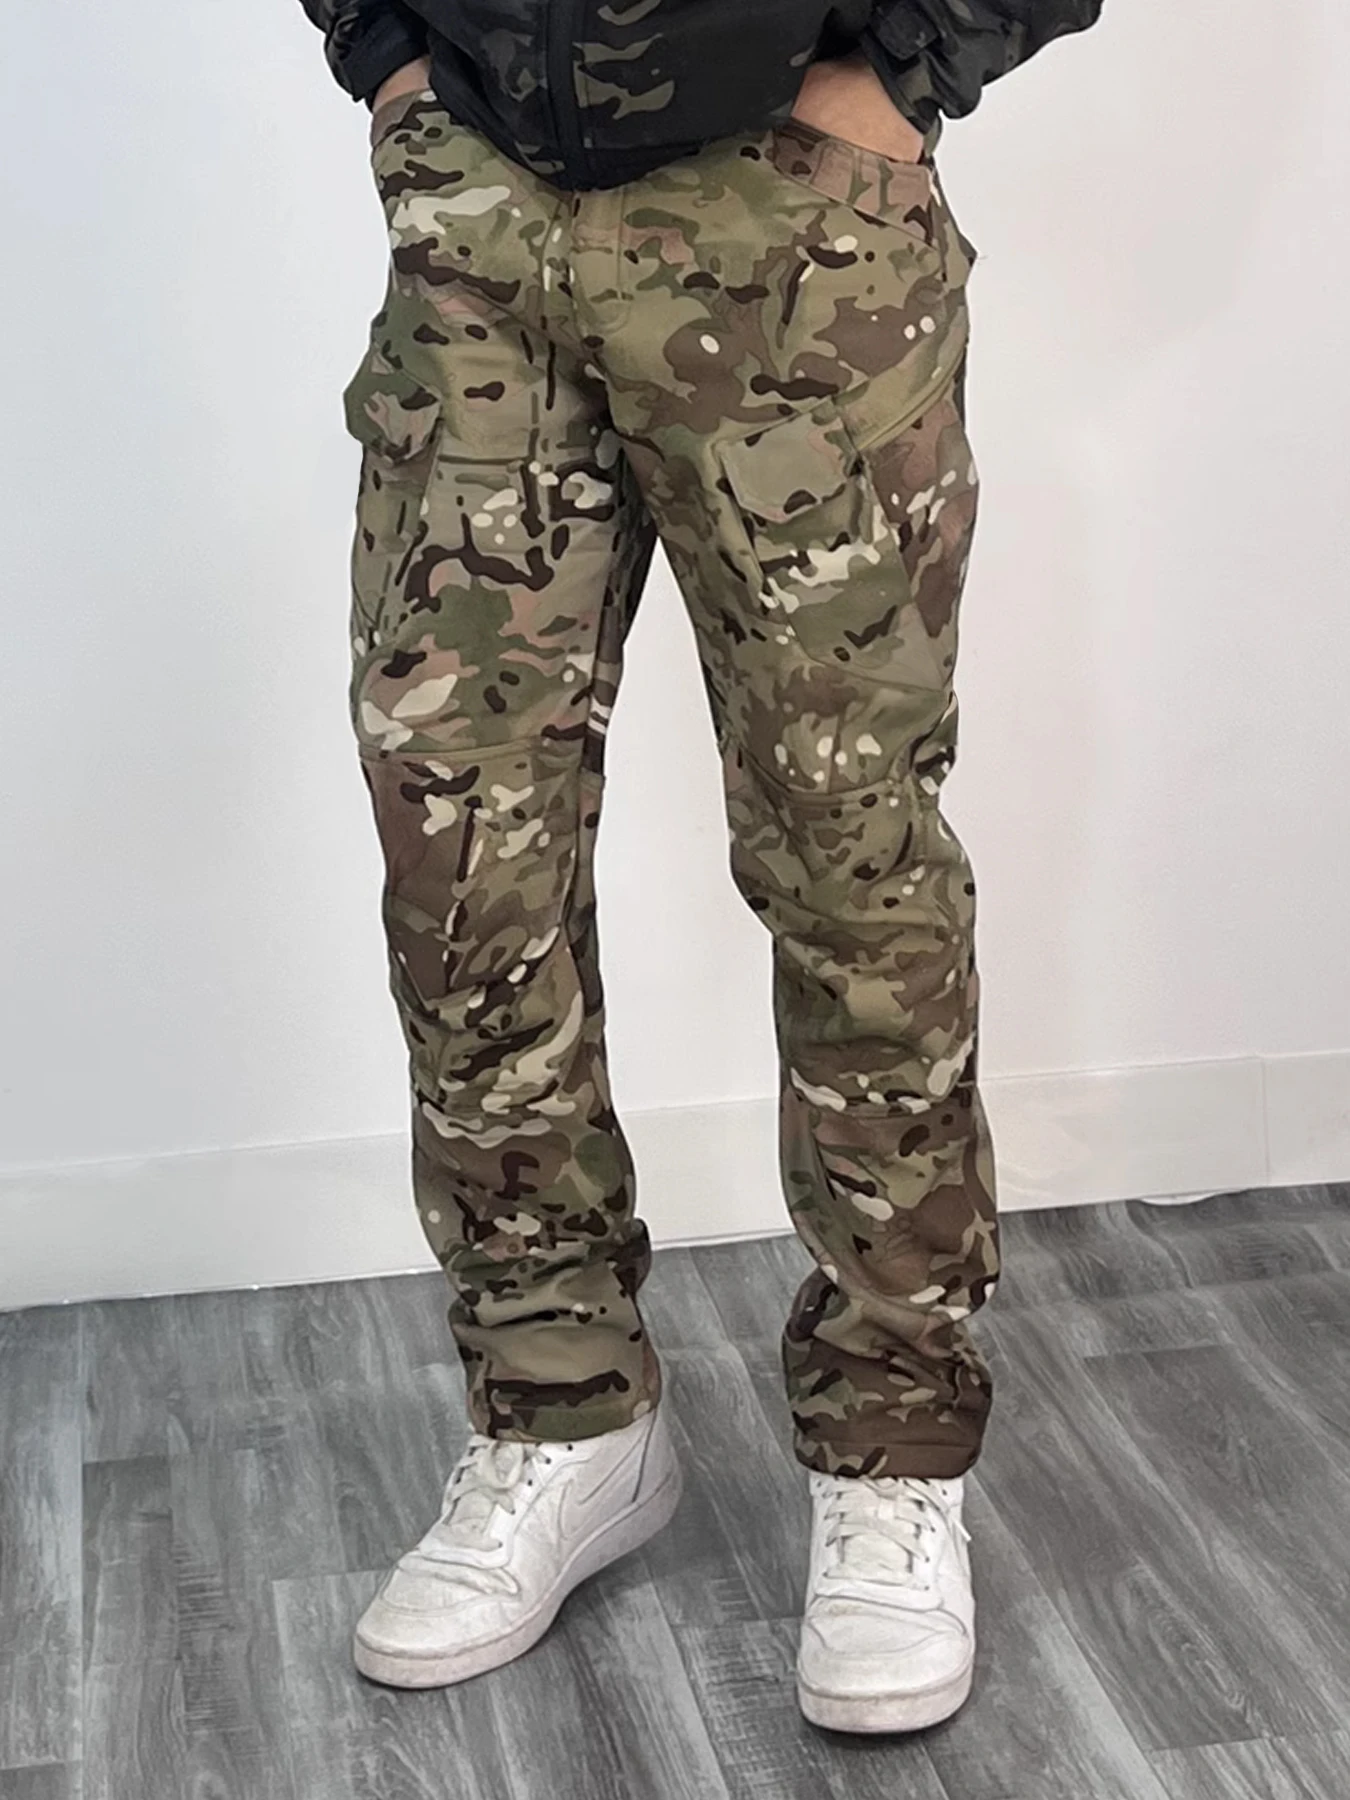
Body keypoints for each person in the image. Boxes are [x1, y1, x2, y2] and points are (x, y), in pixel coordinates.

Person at [299, 0, 1102, 1734]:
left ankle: (891, 1449)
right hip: (480, 227)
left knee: (852, 863)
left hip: (795, 224)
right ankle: (559, 1409)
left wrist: (907, 69)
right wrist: (388, 55)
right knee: (460, 859)